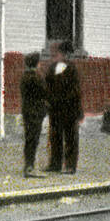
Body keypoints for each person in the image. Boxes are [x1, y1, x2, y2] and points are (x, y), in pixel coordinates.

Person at [44, 40, 82, 174]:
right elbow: (47, 86)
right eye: (62, 54)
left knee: (71, 138)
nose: (62, 56)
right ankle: (55, 164)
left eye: (65, 54)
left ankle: (71, 165)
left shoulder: (72, 69)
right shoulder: (52, 68)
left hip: (69, 109)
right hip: (55, 109)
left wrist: (78, 111)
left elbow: (76, 92)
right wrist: (47, 102)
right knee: (55, 137)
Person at [19, 52, 48, 177]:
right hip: (36, 112)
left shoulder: (24, 77)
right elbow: (45, 93)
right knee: (33, 139)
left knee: (29, 139)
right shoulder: (36, 77)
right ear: (36, 63)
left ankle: (29, 165)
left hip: (27, 110)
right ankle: (30, 168)